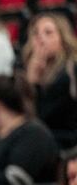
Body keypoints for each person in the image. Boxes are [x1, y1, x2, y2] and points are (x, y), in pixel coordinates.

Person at [23, 13, 77, 148]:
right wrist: (30, 79)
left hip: (63, 139)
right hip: (36, 137)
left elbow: (42, 116)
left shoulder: (71, 70)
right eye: (35, 34)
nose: (40, 39)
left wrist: (33, 85)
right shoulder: (24, 69)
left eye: (48, 33)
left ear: (62, 38)